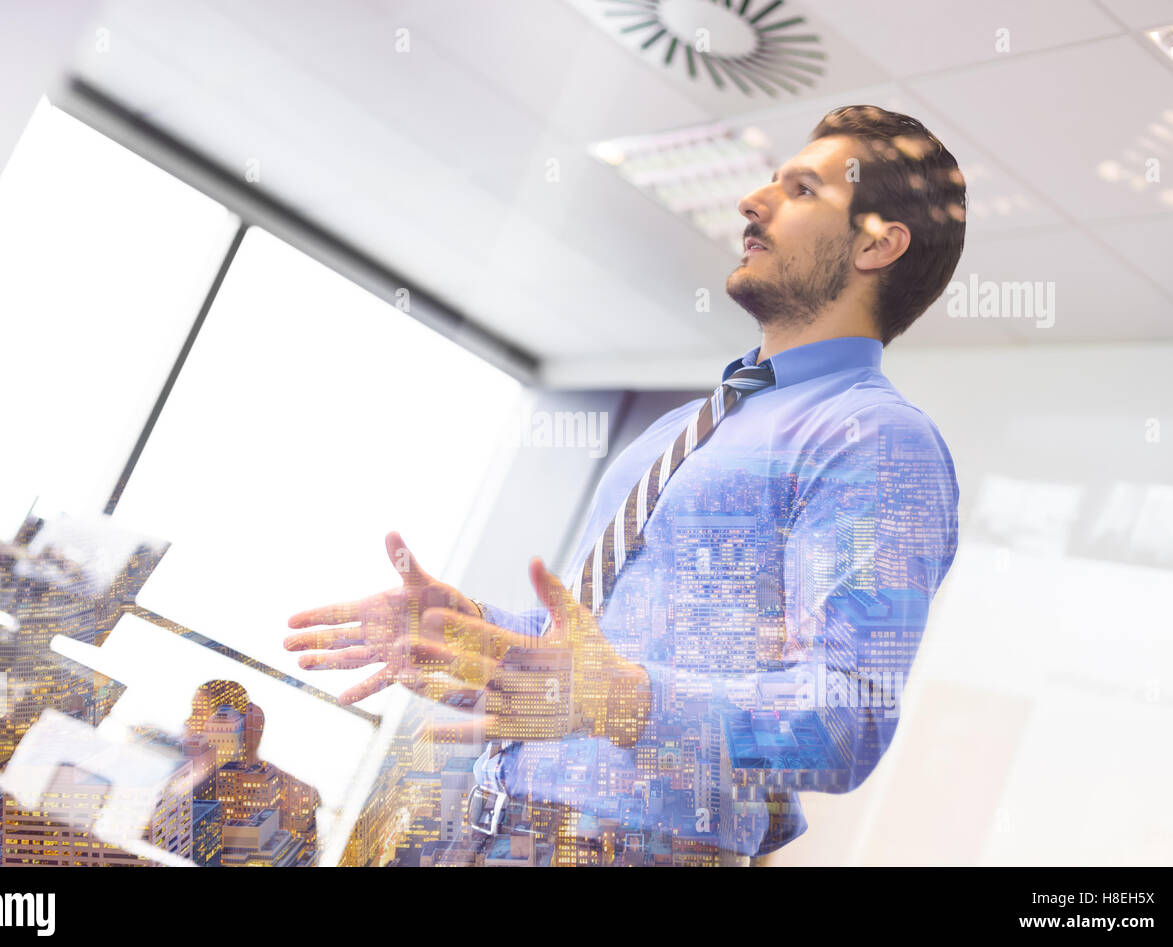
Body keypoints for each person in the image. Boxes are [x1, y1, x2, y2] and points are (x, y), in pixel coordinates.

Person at [283, 105, 965, 866]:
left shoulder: (874, 441)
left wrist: (630, 700)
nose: (753, 200)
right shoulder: (677, 433)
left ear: (878, 242)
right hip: (484, 831)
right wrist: (472, 635)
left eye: (802, 189)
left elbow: (850, 719)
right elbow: (589, 669)